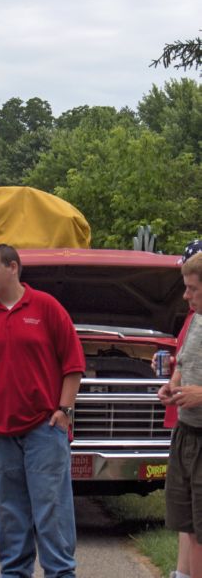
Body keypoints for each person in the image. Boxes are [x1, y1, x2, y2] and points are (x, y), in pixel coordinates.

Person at [0, 244, 85, 578]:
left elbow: (73, 365)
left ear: (13, 267)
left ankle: (60, 573)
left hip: (45, 428)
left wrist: (64, 411)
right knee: (8, 514)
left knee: (51, 511)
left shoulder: (46, 307)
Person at [154, 239, 202, 578]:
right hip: (186, 433)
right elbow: (183, 362)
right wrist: (173, 384)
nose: (185, 296)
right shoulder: (196, 320)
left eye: (192, 289)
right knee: (186, 521)